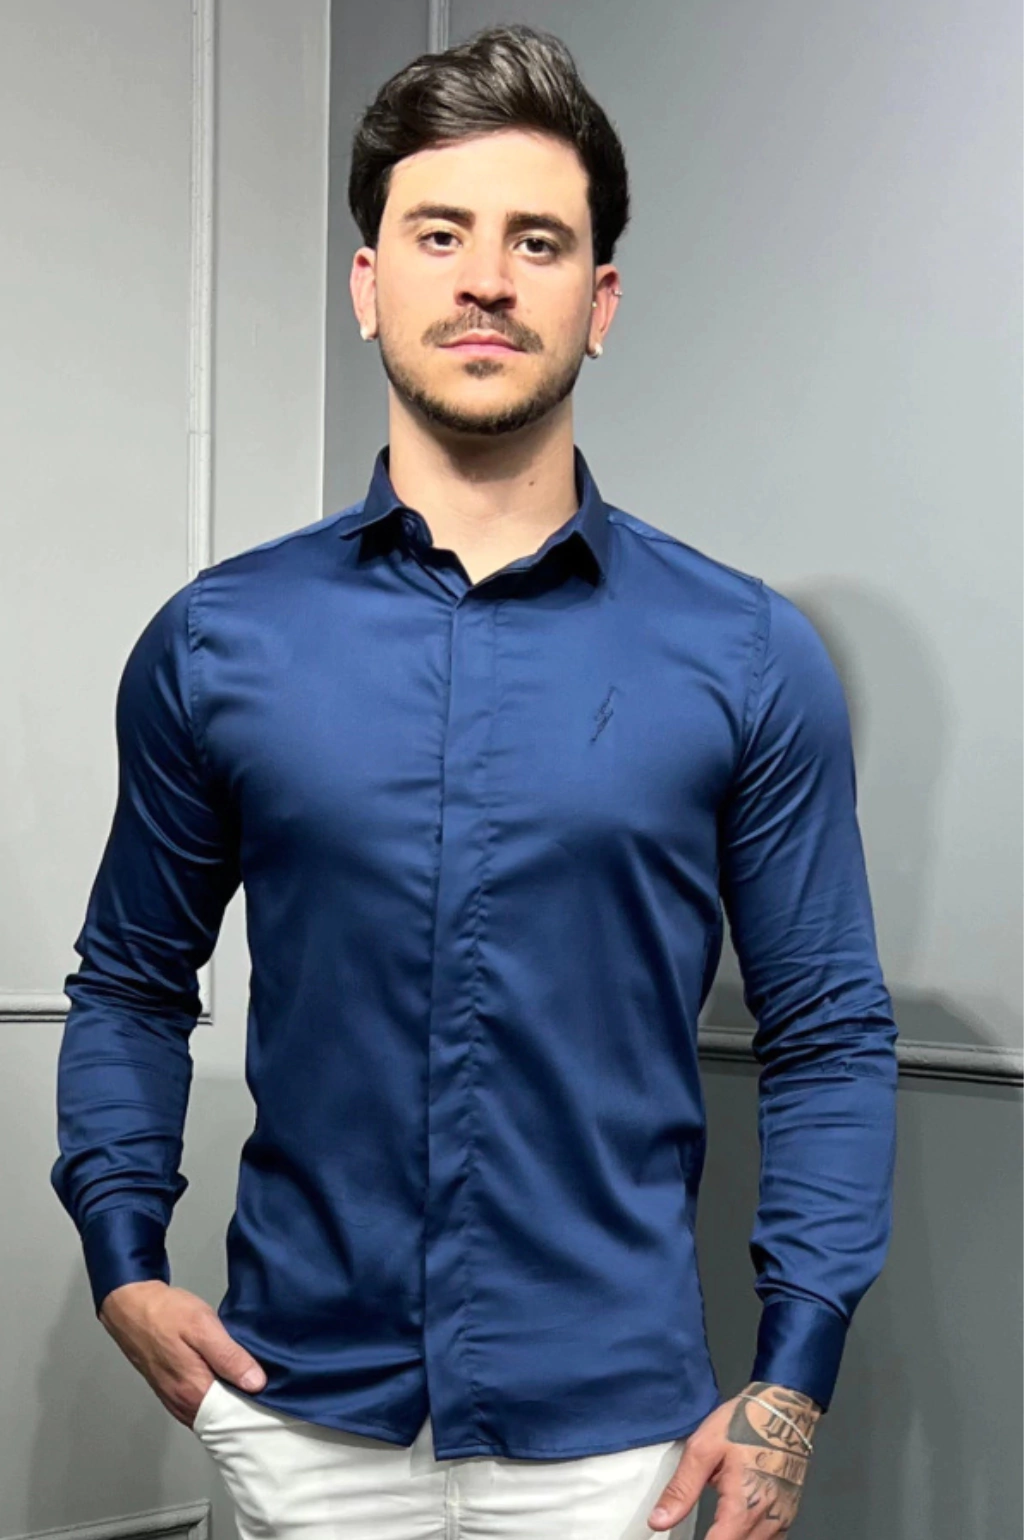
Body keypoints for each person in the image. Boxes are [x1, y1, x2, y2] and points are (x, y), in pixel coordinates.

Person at [50, 22, 898, 1540]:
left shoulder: (748, 654)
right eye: (439, 234)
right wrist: (122, 1256)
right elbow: (129, 981)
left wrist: (792, 1382)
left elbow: (829, 1033)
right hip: (298, 1423)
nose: (488, 279)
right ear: (368, 282)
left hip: (617, 1458)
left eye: (538, 241)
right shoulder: (218, 641)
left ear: (600, 300)